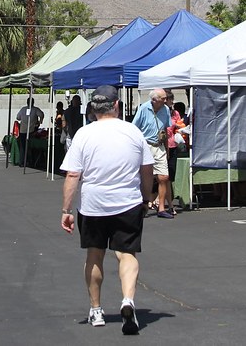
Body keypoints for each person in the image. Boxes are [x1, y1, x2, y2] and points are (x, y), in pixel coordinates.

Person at [60, 85, 154, 335]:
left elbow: (72, 174)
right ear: (116, 106)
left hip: (94, 205)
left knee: (94, 255)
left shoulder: (83, 134)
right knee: (127, 254)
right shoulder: (133, 132)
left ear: (92, 109)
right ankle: (127, 300)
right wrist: (147, 197)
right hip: (127, 202)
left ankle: (96, 309)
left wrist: (66, 209)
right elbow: (147, 169)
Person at [132, 88, 173, 218]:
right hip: (146, 145)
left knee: (163, 177)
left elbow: (165, 130)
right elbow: (134, 128)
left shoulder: (165, 110)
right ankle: (141, 205)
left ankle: (161, 208)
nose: (166, 100)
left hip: (159, 146)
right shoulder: (144, 108)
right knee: (143, 177)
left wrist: (167, 149)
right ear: (154, 100)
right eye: (163, 98)